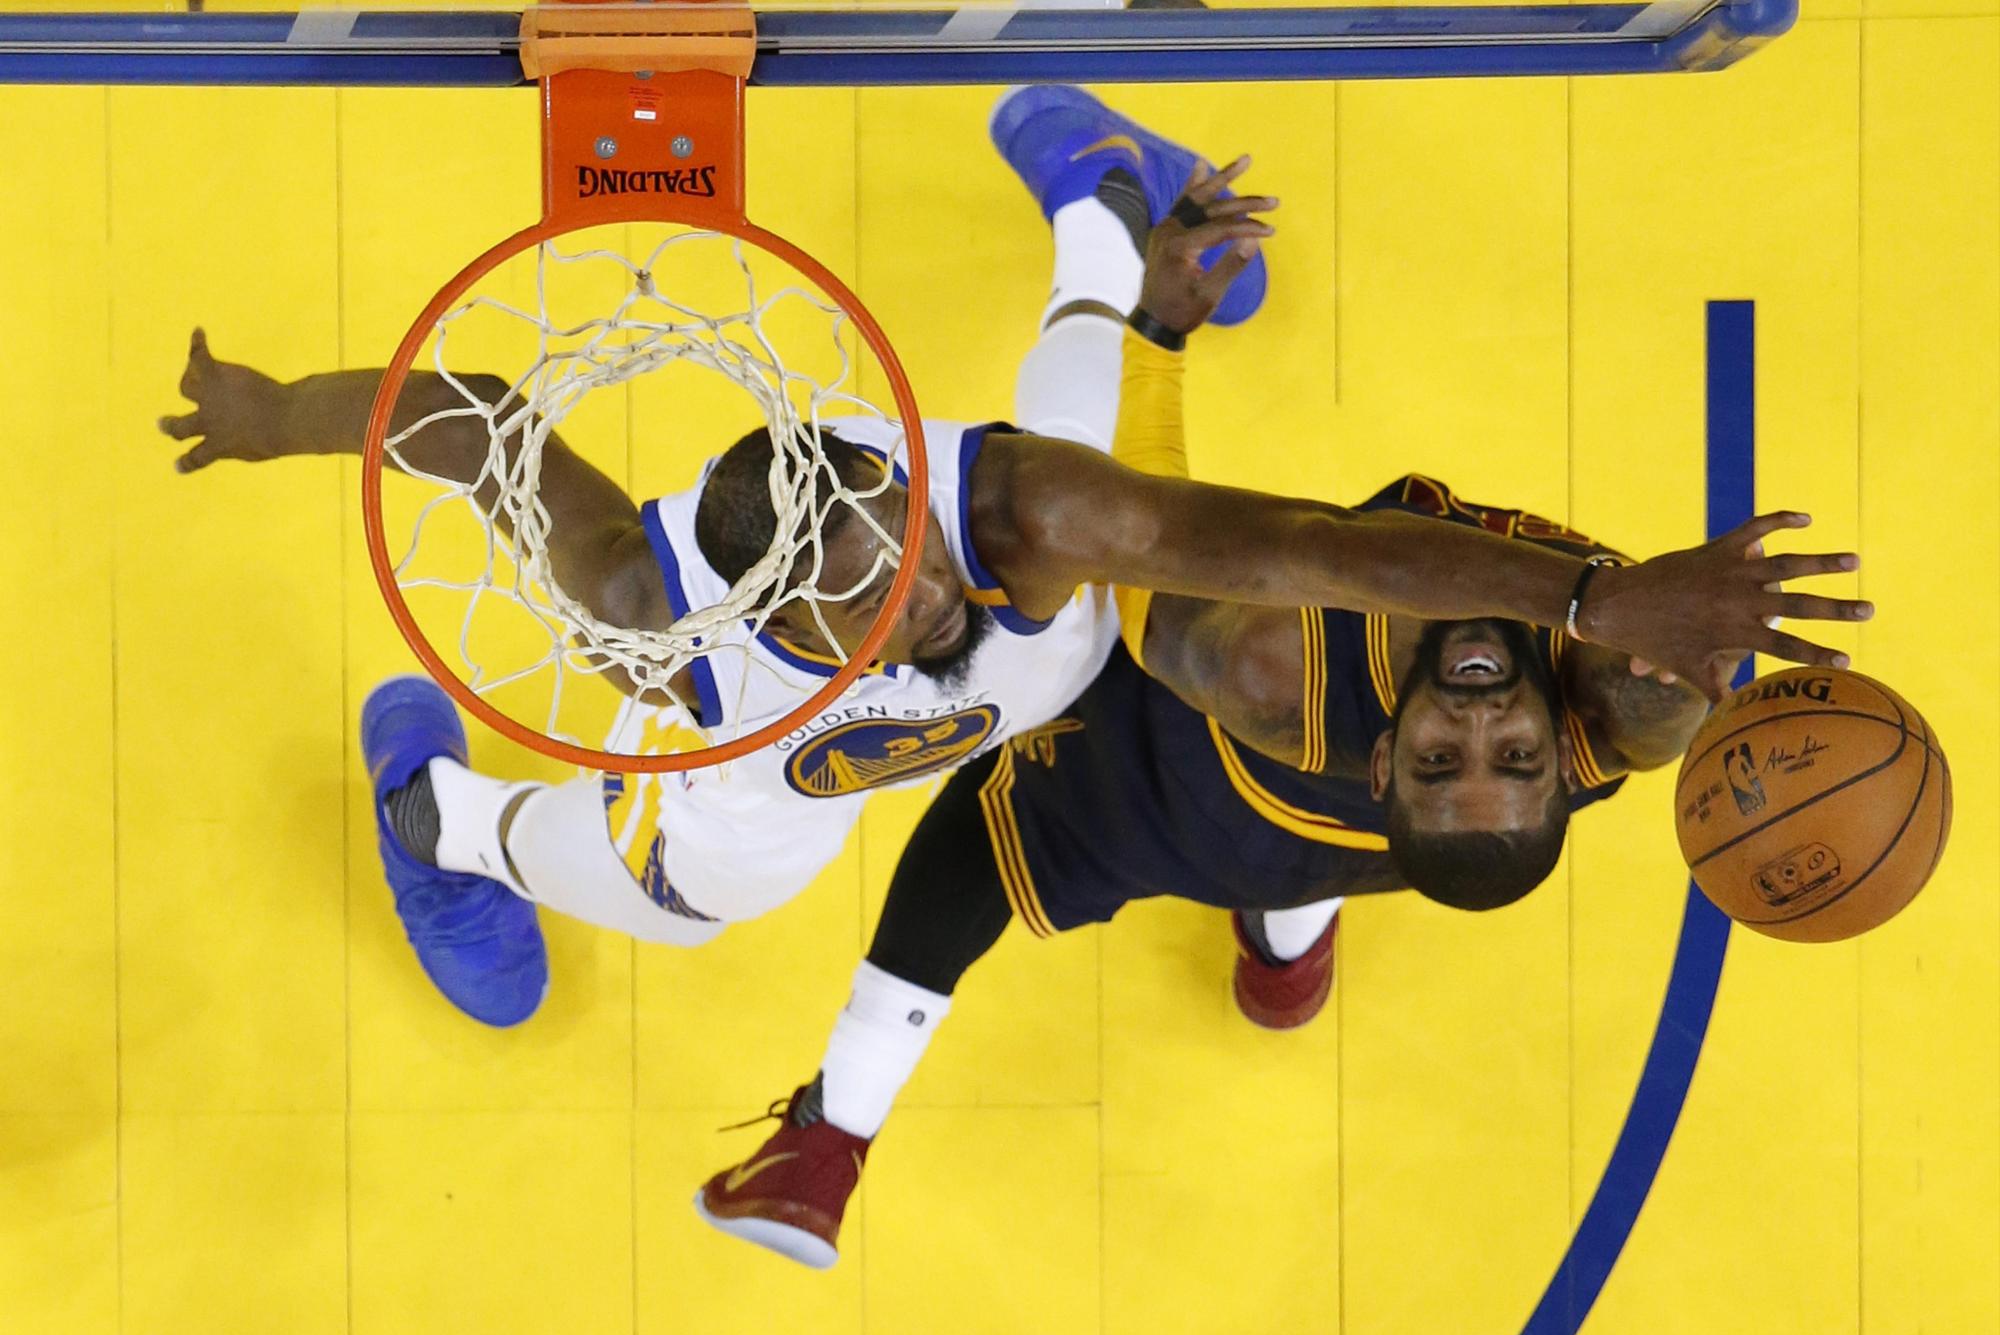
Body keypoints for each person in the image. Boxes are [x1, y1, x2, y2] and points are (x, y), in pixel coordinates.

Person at [162, 88, 1860, 1041]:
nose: (911, 584)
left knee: (1093, 470)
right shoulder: (661, 630)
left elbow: (1288, 541)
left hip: (1052, 636)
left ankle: (1109, 216)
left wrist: (1593, 610)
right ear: (791, 622)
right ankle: (435, 820)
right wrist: (273, 415)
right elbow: (465, 418)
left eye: (901, 545)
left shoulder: (1009, 522)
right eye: (873, 592)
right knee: (690, 903)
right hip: (776, 805)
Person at [691, 481, 1843, 1267]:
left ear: (1388, 753)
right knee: (1338, 849)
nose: (1487, 717)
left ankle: (826, 1140)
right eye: (1507, 752)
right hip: (1324, 831)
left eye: (1450, 752)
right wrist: (1693, 654)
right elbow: (1654, 709)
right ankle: (1282, 966)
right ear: (1561, 765)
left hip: (1158, 780)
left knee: (977, 853)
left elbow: (1141, 521)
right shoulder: (1583, 737)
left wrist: (1152, 325)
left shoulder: (1257, 663)